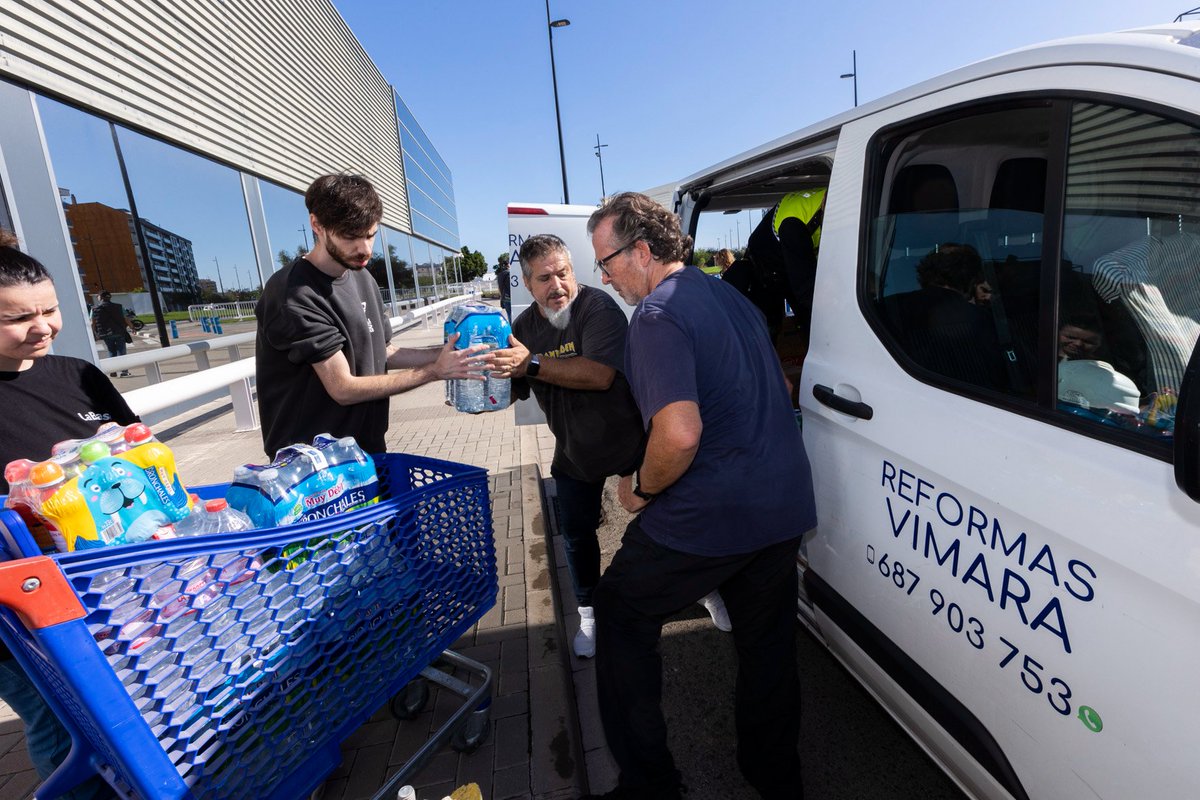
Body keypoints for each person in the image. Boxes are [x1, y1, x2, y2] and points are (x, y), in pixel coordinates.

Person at [583, 193, 816, 800]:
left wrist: (640, 488)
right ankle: (776, 781)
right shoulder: (730, 297)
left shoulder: (657, 315)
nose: (603, 278)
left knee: (621, 610)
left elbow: (680, 434)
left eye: (606, 262)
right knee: (767, 649)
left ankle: (649, 786)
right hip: (782, 502)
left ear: (640, 250)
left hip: (714, 512)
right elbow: (783, 384)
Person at [0, 230, 127, 800]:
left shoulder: (78, 374)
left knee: (119, 704)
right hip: (16, 606)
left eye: (50, 309)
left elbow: (136, 455)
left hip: (100, 581)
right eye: (17, 319)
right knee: (57, 719)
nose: (43, 327)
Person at [484, 234, 646, 658]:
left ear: (574, 272)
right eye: (544, 278)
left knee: (665, 519)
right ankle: (588, 611)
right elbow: (514, 387)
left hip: (630, 442)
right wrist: (480, 383)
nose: (557, 285)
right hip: (575, 451)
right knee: (576, 535)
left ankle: (702, 586)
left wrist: (532, 363)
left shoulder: (598, 308)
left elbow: (599, 375)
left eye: (563, 273)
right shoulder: (522, 329)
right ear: (526, 283)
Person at [255, 173, 484, 457]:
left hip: (367, 449)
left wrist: (451, 353)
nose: (364, 249)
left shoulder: (361, 277)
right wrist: (434, 371)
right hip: (311, 466)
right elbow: (343, 387)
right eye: (351, 236)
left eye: (370, 234)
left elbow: (383, 351)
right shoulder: (293, 293)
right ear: (317, 225)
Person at [89, 290, 132, 376]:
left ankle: (113, 371)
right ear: (109, 297)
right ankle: (124, 372)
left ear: (100, 297)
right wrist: (132, 327)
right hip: (119, 332)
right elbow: (126, 318)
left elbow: (92, 323)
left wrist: (93, 333)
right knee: (122, 352)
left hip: (105, 334)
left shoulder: (94, 309)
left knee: (111, 351)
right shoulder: (119, 307)